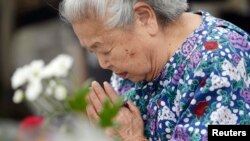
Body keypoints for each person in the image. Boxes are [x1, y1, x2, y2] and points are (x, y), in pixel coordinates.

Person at [59, 0, 250, 140]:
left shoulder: (221, 63)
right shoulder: (135, 64)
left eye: (105, 50)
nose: (103, 63)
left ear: (144, 17)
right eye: (94, 52)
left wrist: (132, 138)